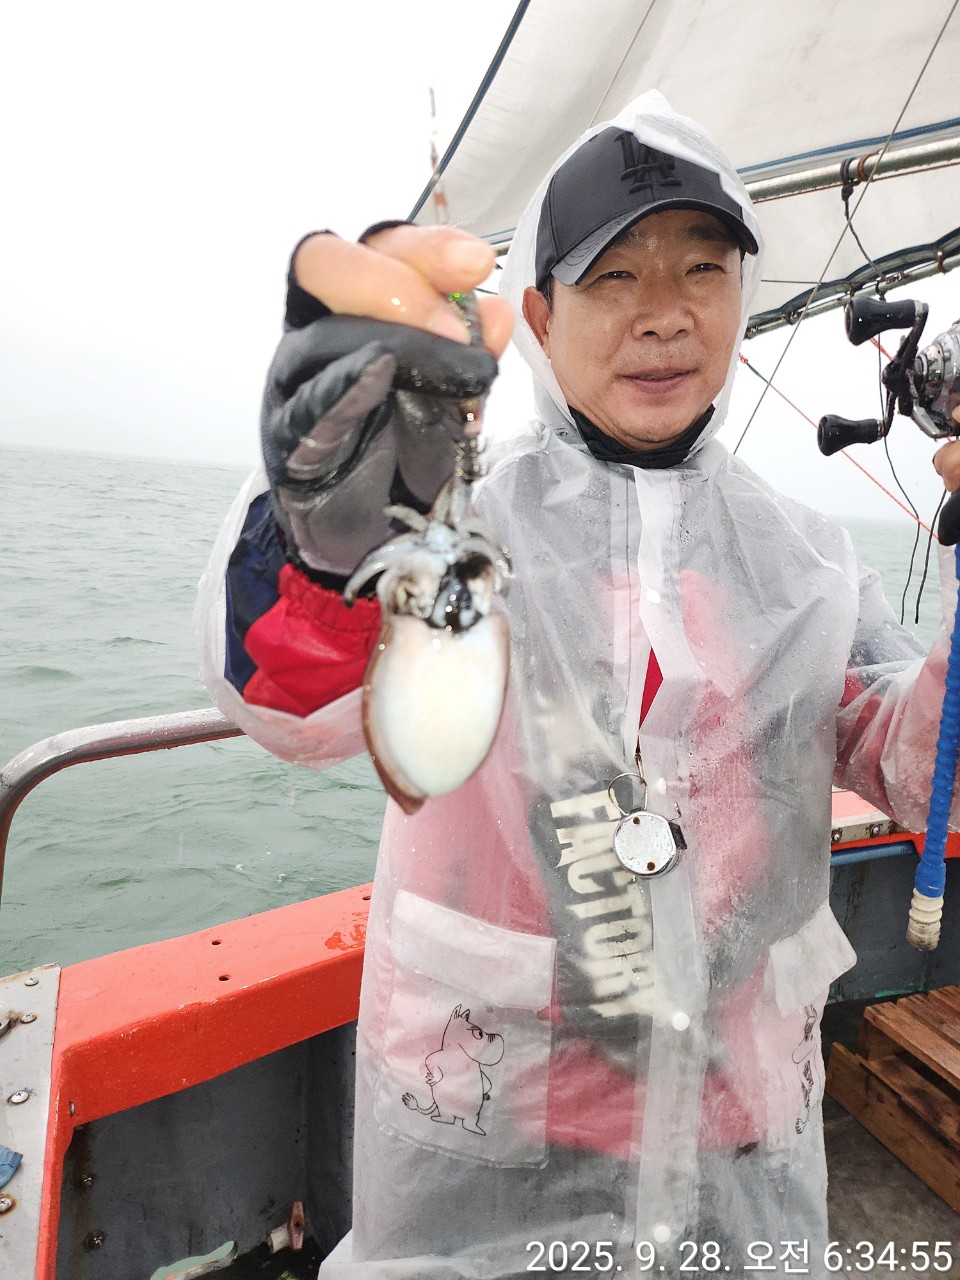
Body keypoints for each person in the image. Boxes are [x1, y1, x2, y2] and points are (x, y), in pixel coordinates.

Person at [199, 92, 960, 1279]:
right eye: (614, 277)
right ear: (542, 319)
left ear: (742, 295)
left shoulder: (810, 560)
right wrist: (318, 522)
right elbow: (288, 702)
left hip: (743, 1154)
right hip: (490, 1148)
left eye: (702, 268)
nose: (663, 311)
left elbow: (926, 767)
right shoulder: (450, 521)